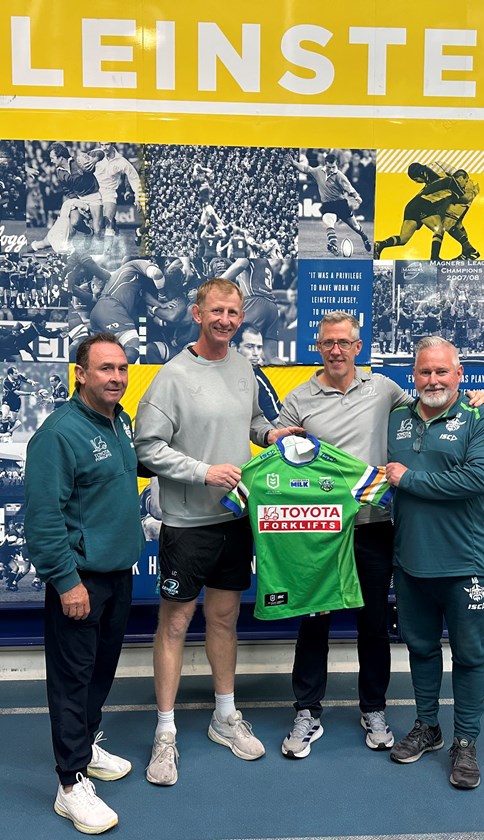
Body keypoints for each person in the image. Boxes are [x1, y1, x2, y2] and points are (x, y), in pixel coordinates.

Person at [276, 312, 484, 760]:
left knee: (373, 624)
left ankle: (373, 708)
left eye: (345, 342)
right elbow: (271, 436)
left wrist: (475, 403)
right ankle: (307, 710)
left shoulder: (386, 391)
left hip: (375, 529)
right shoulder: (299, 397)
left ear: (358, 347)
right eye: (328, 342)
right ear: (318, 346)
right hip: (319, 531)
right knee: (313, 622)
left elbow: (439, 406)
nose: (336, 350)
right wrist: (271, 433)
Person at [134, 278, 301, 786]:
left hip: (234, 518)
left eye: (234, 312)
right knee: (176, 625)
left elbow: (249, 421)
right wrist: (203, 471)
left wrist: (269, 434)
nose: (226, 320)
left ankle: (224, 716)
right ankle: (165, 734)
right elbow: (147, 449)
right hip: (187, 524)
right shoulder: (172, 376)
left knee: (225, 620)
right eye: (217, 312)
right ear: (197, 311)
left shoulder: (243, 366)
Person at [24, 333, 145, 834]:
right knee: (72, 682)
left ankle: (87, 744)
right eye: (105, 369)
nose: (116, 377)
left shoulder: (122, 422)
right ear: (80, 374)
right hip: (80, 581)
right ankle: (70, 785)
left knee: (100, 672)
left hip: (118, 575)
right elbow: (44, 519)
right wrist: (66, 582)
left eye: (121, 369)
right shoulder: (57, 434)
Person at [386, 336, 484, 789]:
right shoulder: (397, 417)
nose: (432, 380)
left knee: (471, 656)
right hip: (411, 561)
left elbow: (478, 479)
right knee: (420, 648)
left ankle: (466, 741)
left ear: (460, 375)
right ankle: (428, 727)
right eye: (424, 372)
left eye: (441, 371)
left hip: (466, 562)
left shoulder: (483, 418)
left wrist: (409, 479)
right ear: (412, 376)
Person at [285, 151, 372, 256]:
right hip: (328, 205)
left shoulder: (339, 175)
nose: (331, 169)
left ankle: (364, 237)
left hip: (340, 204)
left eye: (333, 166)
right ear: (325, 164)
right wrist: (294, 163)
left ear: (336, 164)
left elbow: (349, 188)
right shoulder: (318, 171)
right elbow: (305, 169)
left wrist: (356, 197)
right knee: (328, 222)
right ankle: (333, 245)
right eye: (329, 167)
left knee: (355, 226)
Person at [234, 322, 281, 422]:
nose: (256, 353)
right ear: (234, 347)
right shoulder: (214, 368)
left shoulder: (258, 380)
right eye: (250, 347)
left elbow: (278, 422)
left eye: (259, 347)